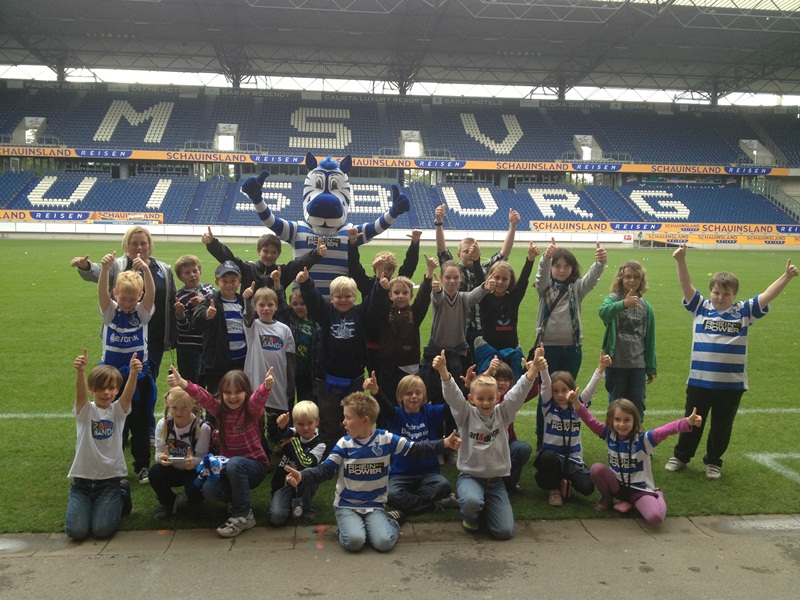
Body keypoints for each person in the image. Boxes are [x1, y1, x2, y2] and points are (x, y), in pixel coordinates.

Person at [664, 246, 799, 480]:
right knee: (692, 422)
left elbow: (767, 294)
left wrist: (786, 276)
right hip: (699, 381)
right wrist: (681, 261)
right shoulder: (700, 307)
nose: (720, 297)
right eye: (716, 292)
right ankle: (681, 456)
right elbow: (686, 285)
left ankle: (713, 461)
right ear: (711, 291)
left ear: (734, 295)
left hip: (731, 384)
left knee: (722, 426)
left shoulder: (745, 312)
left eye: (726, 294)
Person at [283, 392, 461, 552]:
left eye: (348, 418)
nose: (343, 422)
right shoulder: (344, 444)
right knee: (355, 542)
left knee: (384, 543)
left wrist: (444, 443)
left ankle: (390, 520)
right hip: (347, 506)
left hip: (374, 505)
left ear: (365, 420)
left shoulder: (386, 439)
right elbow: (326, 470)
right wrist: (302, 475)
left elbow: (415, 449)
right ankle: (348, 528)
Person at [432, 348, 540, 540]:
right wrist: (443, 372)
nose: (486, 403)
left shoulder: (503, 413)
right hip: (470, 477)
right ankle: (470, 515)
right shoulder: (465, 415)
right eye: (480, 398)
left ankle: (485, 504)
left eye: (490, 398)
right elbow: (453, 397)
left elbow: (518, 394)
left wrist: (532, 371)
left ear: (498, 397)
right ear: (471, 398)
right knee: (472, 502)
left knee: (504, 532)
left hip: (495, 482)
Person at [167, 365, 274, 538]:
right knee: (209, 488)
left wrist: (266, 387)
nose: (232, 397)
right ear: (222, 394)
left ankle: (243, 515)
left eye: (238, 392)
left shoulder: (251, 410)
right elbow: (202, 396)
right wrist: (183, 383)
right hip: (228, 469)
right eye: (227, 392)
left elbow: (258, 399)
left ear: (246, 392)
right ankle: (237, 500)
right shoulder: (220, 411)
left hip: (254, 467)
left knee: (235, 464)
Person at [571, 393, 702, 525]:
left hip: (639, 491)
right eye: (617, 420)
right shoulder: (609, 435)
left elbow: (665, 430)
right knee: (596, 469)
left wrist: (686, 422)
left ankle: (656, 494)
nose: (622, 424)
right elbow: (590, 420)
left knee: (655, 518)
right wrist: (576, 401)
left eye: (627, 420)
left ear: (634, 420)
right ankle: (607, 499)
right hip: (618, 487)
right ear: (611, 421)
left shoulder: (643, 440)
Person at [71, 225, 176, 380]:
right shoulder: (118, 264)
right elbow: (100, 276)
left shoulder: (163, 269)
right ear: (126, 245)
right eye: (134, 243)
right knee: (115, 383)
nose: (139, 247)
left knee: (147, 378)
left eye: (143, 243)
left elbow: (170, 298)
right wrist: (85, 266)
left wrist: (173, 332)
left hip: (155, 335)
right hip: (120, 336)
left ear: (150, 245)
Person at [532, 238, 607, 446]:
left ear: (573, 268)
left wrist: (600, 263)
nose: (562, 270)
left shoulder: (577, 288)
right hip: (548, 349)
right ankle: (542, 439)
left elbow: (591, 279)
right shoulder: (544, 288)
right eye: (557, 265)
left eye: (566, 266)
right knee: (546, 395)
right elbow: (541, 275)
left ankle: (565, 437)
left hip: (572, 350)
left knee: (567, 395)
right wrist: (545, 259)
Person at [65, 350, 140, 541]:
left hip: (109, 481)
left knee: (102, 530)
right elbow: (80, 395)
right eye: (100, 388)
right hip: (81, 483)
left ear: (117, 390)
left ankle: (121, 493)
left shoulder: (118, 411)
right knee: (76, 531)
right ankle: (91, 505)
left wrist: (133, 373)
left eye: (111, 388)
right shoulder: (85, 411)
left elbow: (128, 396)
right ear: (91, 389)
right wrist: (81, 372)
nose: (106, 393)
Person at [98, 250, 156, 483]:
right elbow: (101, 293)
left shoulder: (142, 313)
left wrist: (146, 270)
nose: (129, 303)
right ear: (116, 294)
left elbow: (151, 293)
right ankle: (114, 467)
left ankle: (142, 467)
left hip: (137, 377)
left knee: (139, 425)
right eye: (124, 298)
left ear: (140, 296)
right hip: (111, 379)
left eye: (133, 299)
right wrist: (105, 269)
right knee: (114, 424)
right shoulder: (110, 312)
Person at [367, 372, 459, 516]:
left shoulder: (430, 412)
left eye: (418, 393)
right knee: (392, 494)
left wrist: (467, 387)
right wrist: (375, 391)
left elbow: (454, 405)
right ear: (401, 397)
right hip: (401, 475)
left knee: (443, 486)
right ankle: (434, 504)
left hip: (428, 475)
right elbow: (385, 407)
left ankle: (405, 508)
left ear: (424, 395)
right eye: (408, 393)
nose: (414, 397)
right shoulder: (397, 415)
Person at [296, 269, 367, 453]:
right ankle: (328, 454)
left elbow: (374, 303)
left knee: (353, 417)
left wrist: (381, 289)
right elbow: (314, 301)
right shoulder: (326, 313)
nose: (343, 300)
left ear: (355, 297)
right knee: (328, 418)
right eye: (338, 296)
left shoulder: (360, 314)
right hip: (327, 378)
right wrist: (305, 283)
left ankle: (352, 452)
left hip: (354, 378)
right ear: (331, 297)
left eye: (347, 296)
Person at [435, 205, 521, 356]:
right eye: (466, 251)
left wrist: (512, 227)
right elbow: (442, 251)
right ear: (459, 255)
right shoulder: (456, 271)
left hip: (484, 327)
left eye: (473, 250)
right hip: (461, 328)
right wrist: (439, 222)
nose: (470, 253)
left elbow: (504, 254)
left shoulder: (487, 270)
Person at [535, 349, 608, 506]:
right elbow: (545, 384)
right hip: (553, 459)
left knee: (587, 488)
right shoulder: (548, 407)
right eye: (556, 391)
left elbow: (590, 390)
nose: (560, 395)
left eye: (564, 390)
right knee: (548, 457)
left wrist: (601, 368)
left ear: (572, 390)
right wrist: (543, 367)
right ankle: (554, 489)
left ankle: (566, 481)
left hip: (573, 460)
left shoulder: (577, 407)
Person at [364, 252, 438, 404]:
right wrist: (379, 276)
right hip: (387, 368)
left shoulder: (414, 313)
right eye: (396, 293)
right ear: (390, 295)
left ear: (411, 296)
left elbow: (424, 296)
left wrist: (429, 272)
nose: (401, 296)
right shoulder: (385, 311)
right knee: (388, 403)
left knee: (408, 402)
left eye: (405, 293)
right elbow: (377, 298)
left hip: (410, 368)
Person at [421, 260, 495, 408]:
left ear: (461, 278)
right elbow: (437, 298)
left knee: (456, 398)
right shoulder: (438, 295)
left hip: (457, 354)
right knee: (436, 396)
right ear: (441, 278)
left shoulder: (462, 298)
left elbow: (473, 296)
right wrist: (437, 290)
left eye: (456, 277)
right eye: (448, 277)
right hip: (436, 354)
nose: (452, 281)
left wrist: (484, 288)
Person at [348, 228, 422, 376]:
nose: (385, 271)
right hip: (371, 342)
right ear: (374, 267)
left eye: (389, 268)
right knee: (374, 379)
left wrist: (415, 243)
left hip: (392, 344)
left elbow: (409, 266)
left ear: (393, 270)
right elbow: (355, 268)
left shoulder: (396, 286)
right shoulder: (367, 284)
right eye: (381, 267)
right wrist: (353, 243)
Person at [202, 226, 324, 310]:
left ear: (279, 254)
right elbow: (228, 258)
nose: (269, 255)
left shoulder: (282, 271)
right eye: (265, 251)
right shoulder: (248, 269)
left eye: (274, 252)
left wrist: (316, 253)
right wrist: (212, 243)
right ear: (258, 251)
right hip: (250, 321)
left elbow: (299, 264)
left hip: (274, 321)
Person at [474, 241, 540, 382]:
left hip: (511, 352)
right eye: (496, 277)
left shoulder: (514, 298)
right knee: (488, 386)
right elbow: (479, 279)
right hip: (490, 354)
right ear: (489, 278)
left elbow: (523, 280)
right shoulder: (485, 298)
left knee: (511, 388)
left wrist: (530, 260)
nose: (500, 282)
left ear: (510, 281)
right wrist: (476, 261)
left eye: (505, 279)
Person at [599, 260, 656, 418]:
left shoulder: (645, 306)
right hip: (616, 364)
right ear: (621, 279)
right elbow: (603, 313)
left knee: (638, 405)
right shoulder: (613, 299)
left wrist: (651, 367)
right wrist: (623, 304)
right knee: (616, 405)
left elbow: (650, 340)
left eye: (636, 277)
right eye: (628, 277)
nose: (632, 280)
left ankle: (636, 432)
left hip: (637, 365)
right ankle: (614, 433)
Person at [243, 283, 296, 447]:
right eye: (261, 305)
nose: (266, 309)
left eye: (270, 305)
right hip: (256, 384)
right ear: (255, 307)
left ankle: (278, 447)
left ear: (276, 306)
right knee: (256, 424)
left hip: (278, 386)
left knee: (276, 426)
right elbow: (248, 316)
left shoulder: (284, 330)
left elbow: (290, 360)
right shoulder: (252, 326)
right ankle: (259, 449)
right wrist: (247, 299)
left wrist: (291, 385)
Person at [148, 386, 212, 520]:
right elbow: (158, 453)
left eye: (184, 407)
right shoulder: (163, 424)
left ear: (193, 405)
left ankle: (195, 500)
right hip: (172, 468)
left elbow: (204, 459)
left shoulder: (202, 428)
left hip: (192, 470)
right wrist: (161, 458)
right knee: (154, 472)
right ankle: (168, 501)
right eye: (174, 407)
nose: (178, 412)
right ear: (168, 405)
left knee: (194, 488)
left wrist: (194, 462)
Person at [191, 260, 247, 397]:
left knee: (239, 397)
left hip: (241, 361)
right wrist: (206, 315)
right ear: (217, 282)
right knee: (217, 399)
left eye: (233, 281)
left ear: (239, 281)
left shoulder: (242, 302)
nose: (229, 285)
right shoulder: (211, 301)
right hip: (218, 364)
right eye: (224, 281)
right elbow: (196, 322)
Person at [267, 401, 326, 526]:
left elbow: (305, 463)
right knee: (276, 517)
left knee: (309, 473)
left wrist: (293, 442)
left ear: (317, 422)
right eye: (300, 424)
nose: (305, 428)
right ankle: (289, 503)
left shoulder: (320, 444)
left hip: (304, 483)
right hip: (284, 483)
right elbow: (283, 433)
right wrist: (282, 426)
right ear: (294, 423)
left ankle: (308, 508)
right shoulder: (294, 432)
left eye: (310, 423)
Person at [173, 254, 216, 384]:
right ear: (180, 277)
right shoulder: (180, 297)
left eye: (195, 271)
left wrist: (203, 303)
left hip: (208, 345)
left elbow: (217, 312)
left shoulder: (209, 289)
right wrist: (180, 314)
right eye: (187, 273)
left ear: (200, 272)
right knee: (191, 384)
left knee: (209, 382)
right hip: (189, 348)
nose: (192, 275)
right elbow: (184, 329)